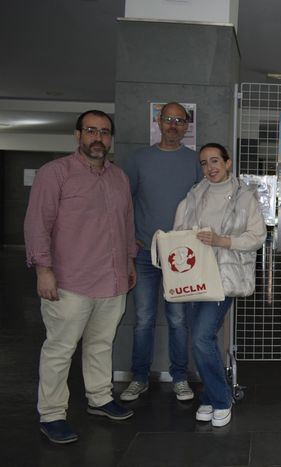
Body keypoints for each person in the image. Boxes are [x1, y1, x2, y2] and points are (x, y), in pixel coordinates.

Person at [24, 110, 137, 444]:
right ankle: (52, 413)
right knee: (60, 349)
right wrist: (44, 270)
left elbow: (126, 224)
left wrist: (129, 261)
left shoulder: (120, 178)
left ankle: (100, 397)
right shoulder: (55, 173)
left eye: (104, 131)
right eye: (91, 130)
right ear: (77, 135)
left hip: (112, 279)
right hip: (69, 281)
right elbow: (36, 225)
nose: (98, 137)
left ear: (110, 138)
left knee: (101, 344)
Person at [173, 143, 266, 428]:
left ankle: (221, 399)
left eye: (215, 161)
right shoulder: (194, 194)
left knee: (201, 338)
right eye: (204, 163)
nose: (210, 167)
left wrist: (222, 241)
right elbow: (179, 232)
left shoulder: (245, 196)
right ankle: (211, 398)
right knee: (203, 339)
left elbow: (257, 237)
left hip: (224, 279)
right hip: (193, 276)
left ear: (228, 163)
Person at [121, 102, 201, 402]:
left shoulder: (194, 161)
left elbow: (201, 206)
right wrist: (131, 241)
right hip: (143, 253)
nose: (173, 125)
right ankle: (139, 378)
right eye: (168, 119)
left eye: (179, 121)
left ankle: (180, 377)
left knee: (179, 320)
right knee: (143, 319)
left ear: (186, 126)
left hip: (180, 256)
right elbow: (124, 204)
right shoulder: (140, 159)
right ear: (158, 121)